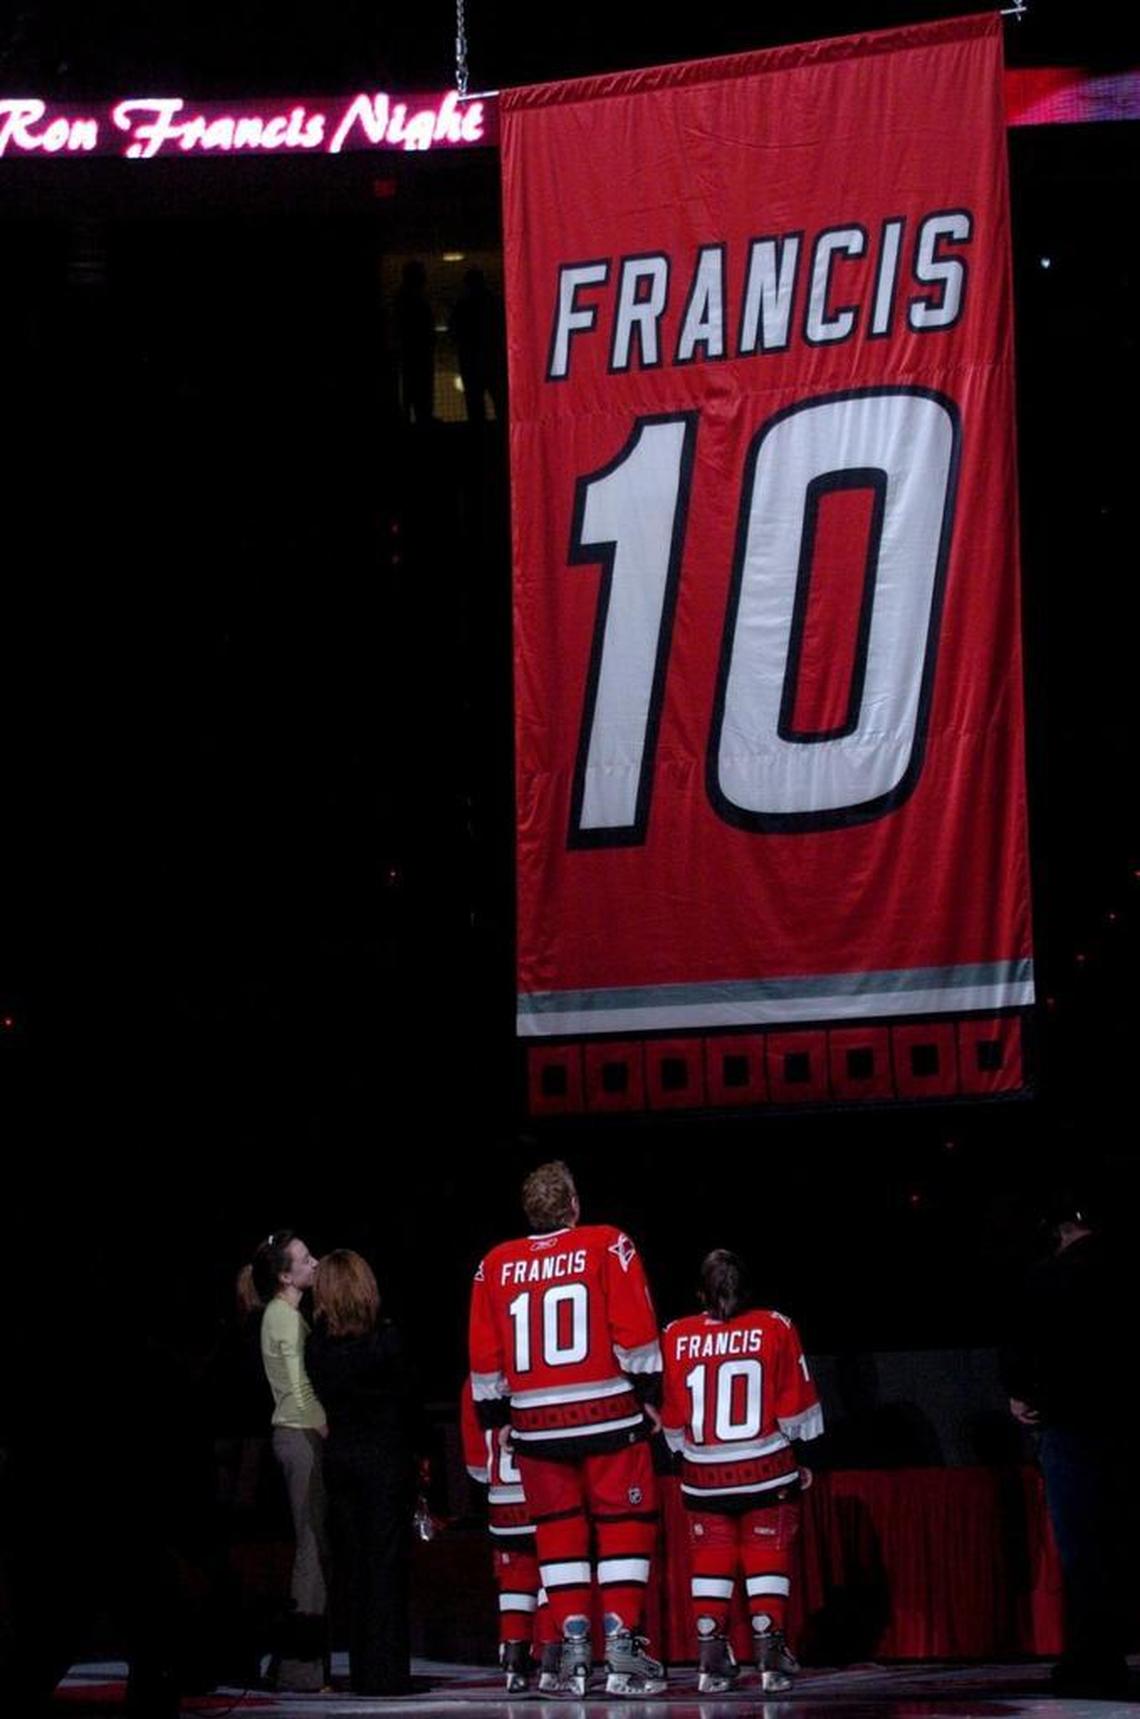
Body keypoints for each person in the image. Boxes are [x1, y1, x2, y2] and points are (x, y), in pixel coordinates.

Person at [468, 1159, 666, 1698]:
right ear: (573, 1204)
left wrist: (497, 1419)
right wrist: (650, 1395)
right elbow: (636, 1330)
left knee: (558, 1532)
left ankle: (575, 1655)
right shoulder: (607, 1243)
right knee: (624, 1522)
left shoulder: (494, 1263)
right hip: (605, 1415)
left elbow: (484, 1358)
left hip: (535, 1425)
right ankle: (621, 1652)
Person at [661, 1249, 823, 1695]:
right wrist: (803, 1460)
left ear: (700, 1293)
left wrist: (686, 1453)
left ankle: (712, 1658)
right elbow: (797, 1408)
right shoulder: (776, 1325)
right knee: (765, 1554)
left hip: (704, 1475)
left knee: (710, 1558)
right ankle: (770, 1655)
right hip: (766, 1470)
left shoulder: (675, 1334)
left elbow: (673, 1420)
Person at [1003, 1195, 1134, 1698]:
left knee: (1085, 1550)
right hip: (1125, 1421)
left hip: (1075, 1425)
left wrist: (1022, 1395)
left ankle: (1095, 1660)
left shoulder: (1046, 1278)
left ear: (1058, 1230)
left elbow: (1021, 1350)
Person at [306, 1250, 416, 1696]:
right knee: (385, 1567)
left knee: (354, 1568)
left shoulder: (317, 1347)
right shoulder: (388, 1342)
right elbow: (409, 1404)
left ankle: (362, 1670)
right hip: (385, 1463)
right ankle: (387, 1674)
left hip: (342, 1461)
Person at [251, 1231, 329, 1693]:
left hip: (298, 1431)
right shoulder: (281, 1316)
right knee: (310, 1550)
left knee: (313, 1547)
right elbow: (297, 1384)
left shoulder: (285, 1314)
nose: (315, 1263)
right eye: (305, 1259)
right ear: (285, 1275)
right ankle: (300, 1668)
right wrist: (321, 1425)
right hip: (299, 1433)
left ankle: (298, 1664)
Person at [460, 1380, 560, 1693]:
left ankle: (514, 1660)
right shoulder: (537, 1368)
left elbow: (476, 1463)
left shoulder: (473, 1383)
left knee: (515, 1578)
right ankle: (550, 1659)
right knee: (553, 1575)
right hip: (546, 1490)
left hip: (503, 1498)